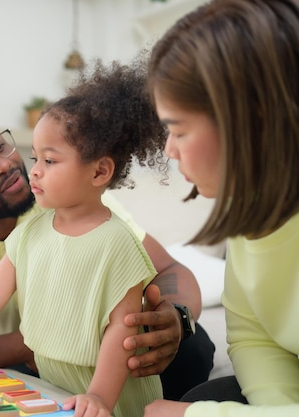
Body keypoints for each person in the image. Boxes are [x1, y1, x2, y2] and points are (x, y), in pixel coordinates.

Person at [0, 88, 215, 401]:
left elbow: (164, 275)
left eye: (0, 147)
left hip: (104, 355)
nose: (4, 165)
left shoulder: (81, 207)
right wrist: (26, 346)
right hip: (27, 364)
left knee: (193, 348)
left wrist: (176, 317)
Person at [142, 1, 299, 416]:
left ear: (253, 119)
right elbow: (253, 335)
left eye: (178, 130)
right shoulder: (252, 209)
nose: (168, 149)